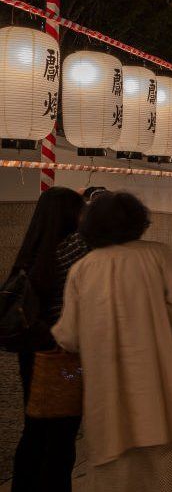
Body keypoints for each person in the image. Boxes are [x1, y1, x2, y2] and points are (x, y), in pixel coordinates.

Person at [52, 192, 172, 490]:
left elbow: (68, 334)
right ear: (138, 220)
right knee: (162, 458)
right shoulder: (159, 255)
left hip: (106, 384)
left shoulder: (83, 268)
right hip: (157, 377)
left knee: (114, 459)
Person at [9, 187, 87, 492]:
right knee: (63, 432)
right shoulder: (74, 250)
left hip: (32, 353)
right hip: (63, 356)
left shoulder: (31, 252)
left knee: (35, 427)